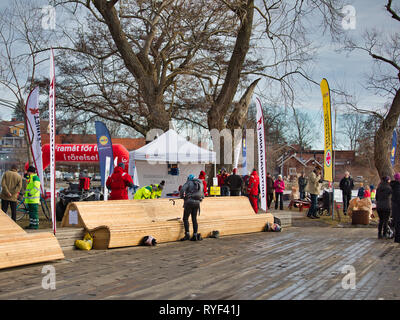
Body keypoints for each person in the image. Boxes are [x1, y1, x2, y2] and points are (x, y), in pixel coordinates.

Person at [179, 174, 204, 241]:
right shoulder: (200, 183)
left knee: (185, 218)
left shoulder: (189, 182)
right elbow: (203, 195)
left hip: (189, 202)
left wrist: (183, 197)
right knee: (194, 219)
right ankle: (195, 235)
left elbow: (182, 190)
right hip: (197, 203)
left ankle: (187, 234)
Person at [390, 173, 400, 243]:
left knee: (397, 223)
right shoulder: (398, 187)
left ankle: (397, 238)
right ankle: (398, 238)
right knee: (398, 223)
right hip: (397, 208)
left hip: (395, 208)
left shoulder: (393, 186)